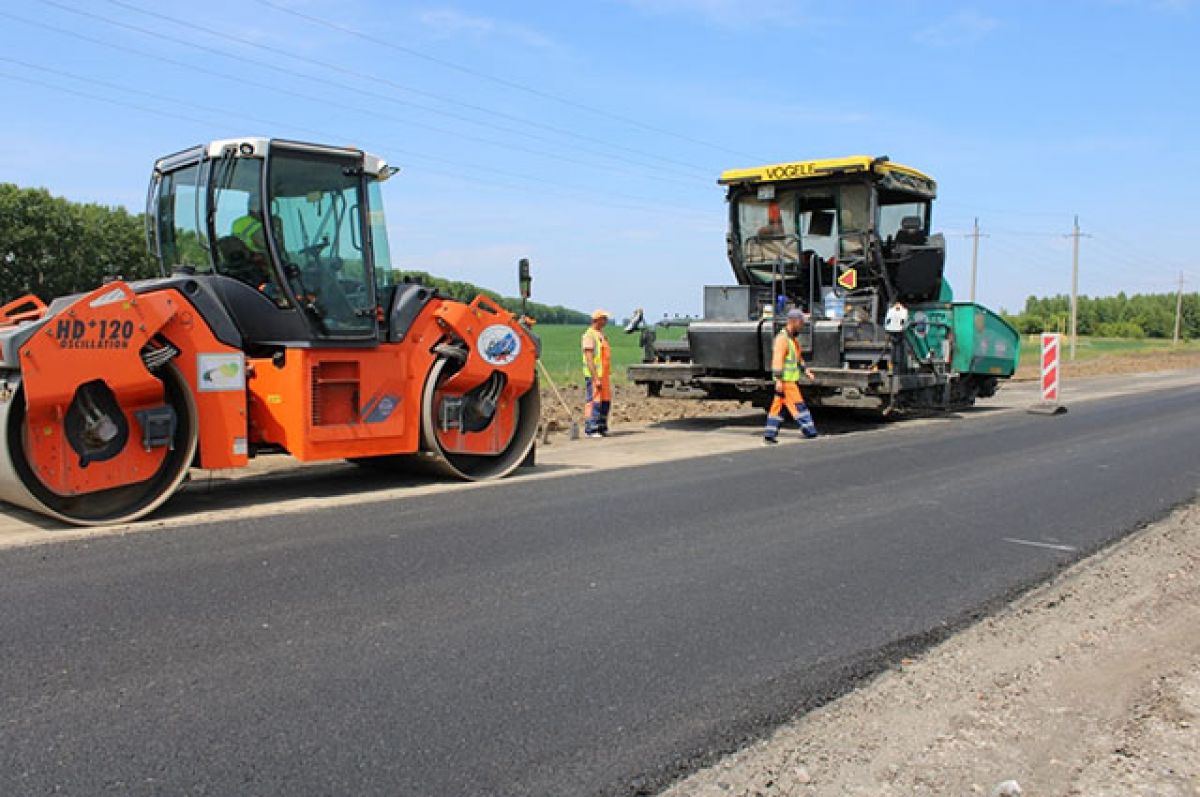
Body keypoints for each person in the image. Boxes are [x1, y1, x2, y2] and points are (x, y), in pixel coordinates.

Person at [764, 308, 819, 443]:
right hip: (786, 382)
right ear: (793, 322)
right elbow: (778, 360)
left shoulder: (792, 340)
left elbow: (798, 358)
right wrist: (778, 380)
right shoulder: (782, 339)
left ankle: (770, 434)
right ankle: (810, 431)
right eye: (801, 323)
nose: (802, 326)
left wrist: (806, 371)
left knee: (778, 408)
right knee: (799, 406)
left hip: (787, 381)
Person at [581, 309, 613, 438]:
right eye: (604, 318)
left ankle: (601, 426)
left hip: (604, 375)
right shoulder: (589, 335)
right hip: (595, 375)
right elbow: (589, 359)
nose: (606, 321)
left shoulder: (601, 334)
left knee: (605, 402)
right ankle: (591, 428)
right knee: (594, 402)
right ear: (597, 320)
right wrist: (595, 378)